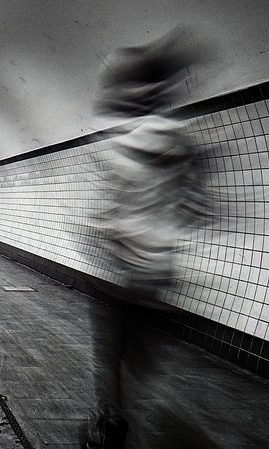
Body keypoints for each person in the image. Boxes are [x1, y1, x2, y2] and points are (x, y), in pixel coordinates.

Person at [81, 26, 212, 449]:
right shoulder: (182, 144)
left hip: (114, 266)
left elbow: (105, 209)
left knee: (109, 352)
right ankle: (123, 405)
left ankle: (110, 420)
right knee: (138, 353)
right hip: (155, 270)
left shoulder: (113, 139)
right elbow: (198, 209)